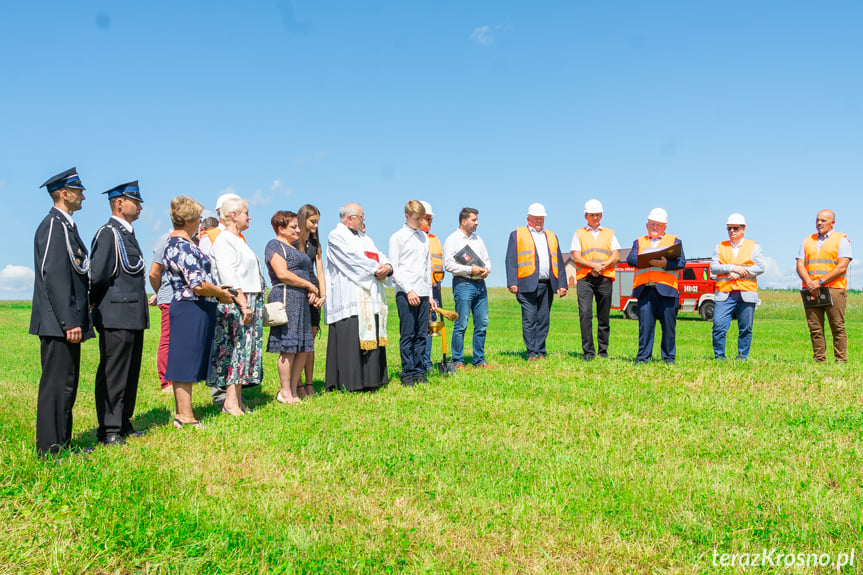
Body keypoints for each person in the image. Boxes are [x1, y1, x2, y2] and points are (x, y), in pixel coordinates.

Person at [31, 168, 94, 457]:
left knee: (66, 385)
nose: (83, 195)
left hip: (65, 322)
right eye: (78, 191)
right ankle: (50, 450)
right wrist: (69, 320)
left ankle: (62, 445)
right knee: (57, 387)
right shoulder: (54, 225)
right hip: (59, 323)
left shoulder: (66, 225)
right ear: (64, 194)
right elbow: (54, 275)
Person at [163, 196, 236, 428]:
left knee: (193, 359)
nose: (200, 223)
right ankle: (184, 416)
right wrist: (220, 294)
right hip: (189, 306)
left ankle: (186, 413)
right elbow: (197, 283)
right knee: (184, 361)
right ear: (187, 220)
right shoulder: (180, 245)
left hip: (198, 305)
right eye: (197, 219)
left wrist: (216, 290)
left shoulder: (186, 243)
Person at [89, 181, 149, 446]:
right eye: (135, 201)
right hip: (115, 315)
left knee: (130, 372)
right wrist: (92, 305)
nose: (140, 206)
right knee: (114, 374)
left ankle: (124, 422)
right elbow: (98, 276)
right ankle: (109, 429)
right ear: (119, 203)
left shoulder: (127, 234)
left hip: (132, 315)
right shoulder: (108, 233)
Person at [325, 203, 392, 392]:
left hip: (370, 295)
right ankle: (351, 382)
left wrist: (387, 267)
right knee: (351, 338)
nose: (364, 220)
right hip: (350, 296)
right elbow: (352, 259)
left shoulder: (365, 238)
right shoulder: (336, 236)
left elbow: (379, 255)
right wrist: (376, 269)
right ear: (349, 218)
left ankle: (372, 380)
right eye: (361, 216)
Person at [207, 197, 265, 415]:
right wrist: (243, 304)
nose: (249, 216)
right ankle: (230, 402)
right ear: (234, 215)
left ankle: (237, 399)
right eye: (246, 212)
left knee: (246, 351)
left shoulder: (238, 239)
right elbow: (228, 276)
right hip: (238, 302)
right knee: (236, 350)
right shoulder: (224, 240)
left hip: (249, 299)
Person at [265, 211, 319, 403]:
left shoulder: (294, 247)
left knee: (303, 346)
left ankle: (294, 389)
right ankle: (285, 391)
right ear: (281, 229)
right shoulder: (274, 245)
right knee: (288, 346)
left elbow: (306, 272)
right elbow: (282, 273)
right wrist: (308, 285)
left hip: (302, 299)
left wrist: (311, 290)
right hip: (287, 297)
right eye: (293, 227)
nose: (298, 230)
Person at [505, 202, 567, 361]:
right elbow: (511, 260)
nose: (539, 221)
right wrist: (512, 282)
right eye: (536, 218)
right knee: (529, 318)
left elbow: (559, 261)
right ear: (528, 218)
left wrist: (562, 284)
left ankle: (540, 351)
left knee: (543, 320)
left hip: (547, 284)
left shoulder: (552, 236)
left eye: (541, 218)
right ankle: (531, 352)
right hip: (526, 284)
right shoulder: (517, 234)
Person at [626, 208, 686, 364]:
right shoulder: (639, 242)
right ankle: (643, 357)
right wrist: (647, 258)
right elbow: (631, 260)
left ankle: (668, 358)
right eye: (651, 224)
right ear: (647, 225)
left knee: (668, 327)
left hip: (667, 290)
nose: (654, 227)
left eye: (658, 225)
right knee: (645, 328)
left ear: (664, 226)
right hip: (645, 290)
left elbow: (681, 262)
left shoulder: (674, 241)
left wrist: (666, 263)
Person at [389, 200, 437, 385]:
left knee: (421, 333)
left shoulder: (424, 238)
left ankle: (419, 371)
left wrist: (430, 295)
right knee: (408, 333)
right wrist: (409, 290)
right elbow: (394, 267)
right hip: (406, 292)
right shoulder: (398, 238)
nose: (420, 222)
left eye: (422, 218)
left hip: (424, 292)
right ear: (407, 216)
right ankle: (407, 372)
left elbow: (427, 267)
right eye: (417, 219)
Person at [796, 209, 852, 363]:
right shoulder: (807, 240)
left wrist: (820, 282)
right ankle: (819, 360)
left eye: (823, 220)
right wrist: (809, 282)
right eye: (817, 220)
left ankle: (841, 360)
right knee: (815, 327)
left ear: (832, 223)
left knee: (837, 326)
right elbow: (800, 264)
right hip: (810, 289)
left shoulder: (842, 240)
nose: (819, 223)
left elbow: (842, 266)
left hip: (834, 288)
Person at [710, 213, 765, 361]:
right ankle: (719, 356)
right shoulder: (720, 246)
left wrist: (739, 274)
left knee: (745, 328)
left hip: (746, 291)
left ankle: (742, 356)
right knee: (719, 326)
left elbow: (760, 267)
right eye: (729, 228)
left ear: (743, 229)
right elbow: (714, 267)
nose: (732, 231)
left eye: (735, 228)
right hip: (724, 293)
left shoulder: (753, 246)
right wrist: (732, 268)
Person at [570, 199, 620, 361]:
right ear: (586, 216)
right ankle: (588, 352)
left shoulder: (609, 233)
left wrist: (602, 266)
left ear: (601, 215)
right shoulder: (579, 234)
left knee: (604, 315)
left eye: (597, 215)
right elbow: (576, 257)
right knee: (585, 314)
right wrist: (592, 265)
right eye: (592, 215)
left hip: (605, 277)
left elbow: (616, 255)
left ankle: (603, 351)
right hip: (585, 278)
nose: (595, 218)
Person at [444, 207, 493, 369]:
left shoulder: (478, 239)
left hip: (480, 284)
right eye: (474, 219)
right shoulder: (452, 239)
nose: (477, 223)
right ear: (463, 221)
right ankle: (458, 361)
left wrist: (487, 269)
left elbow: (486, 259)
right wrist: (470, 270)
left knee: (482, 323)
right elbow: (448, 265)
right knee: (461, 324)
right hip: (463, 283)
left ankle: (479, 360)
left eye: (477, 219)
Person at [295, 204, 326, 397]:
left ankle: (309, 383)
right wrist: (308, 290)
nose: (315, 226)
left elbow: (320, 271)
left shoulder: (316, 243)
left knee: (311, 341)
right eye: (312, 221)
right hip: (300, 289)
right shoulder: (293, 241)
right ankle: (297, 384)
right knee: (298, 339)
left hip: (314, 288)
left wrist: (323, 295)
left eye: (317, 222)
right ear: (303, 220)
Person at [148, 231, 174, 393]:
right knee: (168, 339)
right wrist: (161, 292)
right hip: (170, 297)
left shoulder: (193, 240)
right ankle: (166, 381)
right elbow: (153, 273)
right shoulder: (165, 239)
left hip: (186, 298)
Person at [420, 200, 444, 373]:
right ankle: (420, 363)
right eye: (427, 218)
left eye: (431, 218)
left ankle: (427, 362)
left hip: (435, 288)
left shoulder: (434, 239)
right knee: (420, 327)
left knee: (431, 326)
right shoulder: (414, 239)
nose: (430, 221)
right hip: (419, 289)